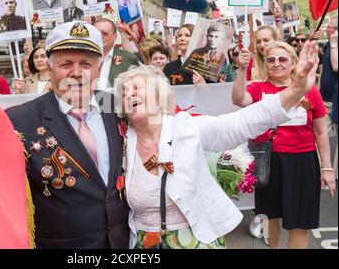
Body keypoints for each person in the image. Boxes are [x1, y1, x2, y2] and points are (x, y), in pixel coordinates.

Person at [113, 42, 324, 248]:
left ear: (158, 96)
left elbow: (241, 122)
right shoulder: (120, 141)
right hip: (142, 243)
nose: (129, 94)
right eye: (123, 93)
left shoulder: (185, 126)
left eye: (137, 88)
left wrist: (296, 89)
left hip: (195, 239)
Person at [7, 21, 130, 248]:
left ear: (99, 68)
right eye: (66, 64)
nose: (76, 73)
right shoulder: (19, 122)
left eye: (86, 64)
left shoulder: (119, 108)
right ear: (50, 68)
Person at [231, 41, 335, 249]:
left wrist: (327, 168)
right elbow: (239, 99)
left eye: (282, 59)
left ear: (294, 63)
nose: (276, 63)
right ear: (265, 63)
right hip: (270, 162)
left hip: (303, 162)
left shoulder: (309, 90)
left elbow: (320, 131)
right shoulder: (259, 89)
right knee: (270, 218)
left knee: (301, 222)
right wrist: (242, 70)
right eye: (271, 59)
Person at [94, 18, 139, 89]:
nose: (100, 36)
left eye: (105, 33)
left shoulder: (127, 59)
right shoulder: (83, 57)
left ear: (115, 37)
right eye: (97, 33)